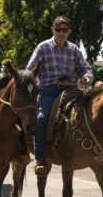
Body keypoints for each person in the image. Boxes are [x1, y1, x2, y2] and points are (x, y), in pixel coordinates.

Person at [26, 15, 93, 174]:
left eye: (65, 30)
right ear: (53, 30)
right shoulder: (43, 47)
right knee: (41, 119)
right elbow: (30, 72)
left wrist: (87, 77)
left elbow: (85, 69)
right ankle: (41, 159)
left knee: (92, 112)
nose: (61, 32)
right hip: (48, 92)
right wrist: (35, 90)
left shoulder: (74, 50)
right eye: (58, 29)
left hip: (71, 91)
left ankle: (100, 150)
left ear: (69, 32)